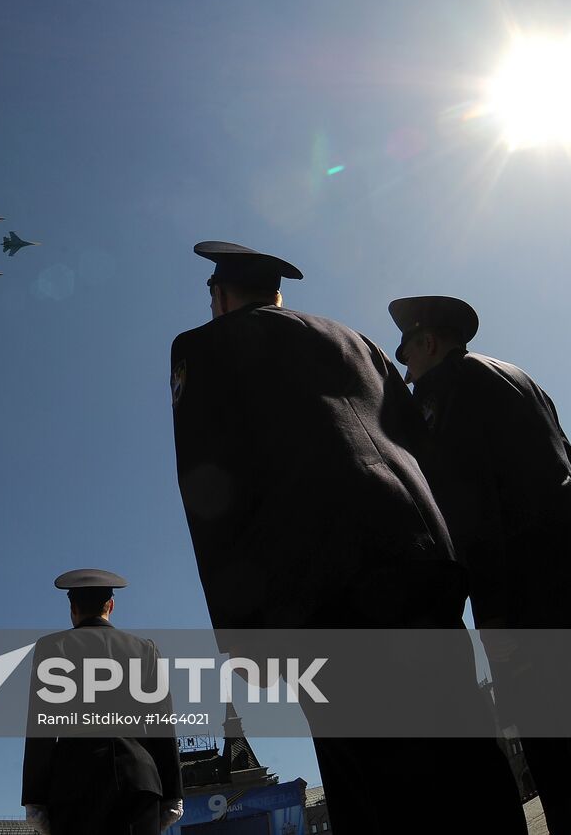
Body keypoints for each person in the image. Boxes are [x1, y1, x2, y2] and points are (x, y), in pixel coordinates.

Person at [170, 242, 526, 833]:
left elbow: (208, 485)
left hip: (326, 591)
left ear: (221, 295)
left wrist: (239, 632)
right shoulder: (357, 342)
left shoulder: (203, 347)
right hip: (423, 567)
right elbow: (417, 446)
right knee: (466, 757)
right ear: (277, 295)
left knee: (374, 783)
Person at [391, 295, 571, 833]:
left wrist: (492, 619)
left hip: (530, 596)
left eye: (407, 352)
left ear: (429, 342)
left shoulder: (445, 389)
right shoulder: (516, 375)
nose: (405, 367)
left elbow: (471, 508)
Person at [22, 570, 184, 835]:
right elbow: (161, 722)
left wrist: (34, 798)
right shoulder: (146, 649)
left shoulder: (52, 648)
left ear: (72, 609)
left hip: (73, 785)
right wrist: (173, 793)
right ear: (111, 605)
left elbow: (42, 723)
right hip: (138, 783)